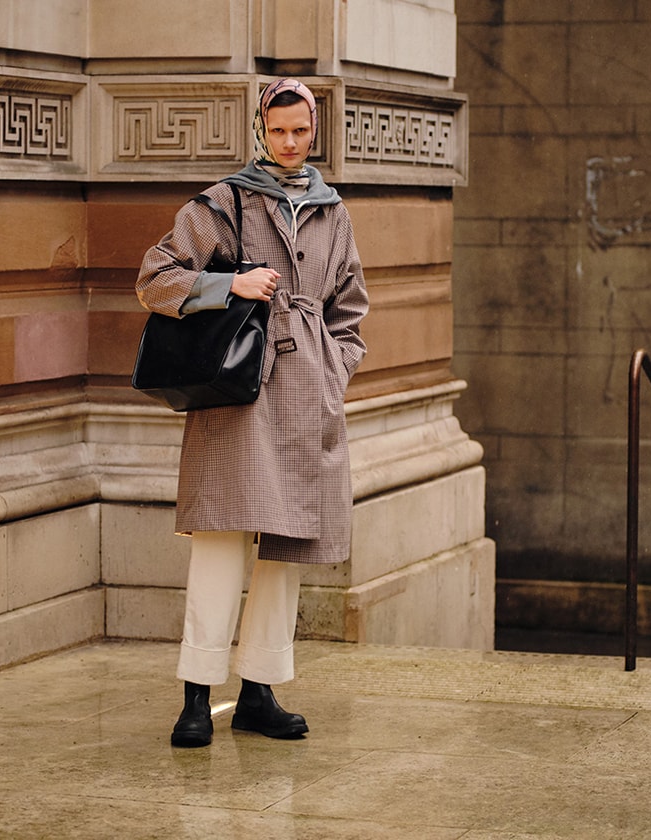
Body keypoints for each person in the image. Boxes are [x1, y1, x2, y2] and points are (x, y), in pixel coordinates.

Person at [136, 78, 369, 748]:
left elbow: (350, 309)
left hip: (306, 400)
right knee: (220, 540)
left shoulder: (334, 212)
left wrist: (334, 369)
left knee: (285, 547)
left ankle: (260, 693)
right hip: (239, 396)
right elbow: (154, 277)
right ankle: (195, 694)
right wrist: (228, 283)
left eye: (300, 131)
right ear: (259, 129)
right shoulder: (225, 200)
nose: (289, 144)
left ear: (314, 129)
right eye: (277, 131)